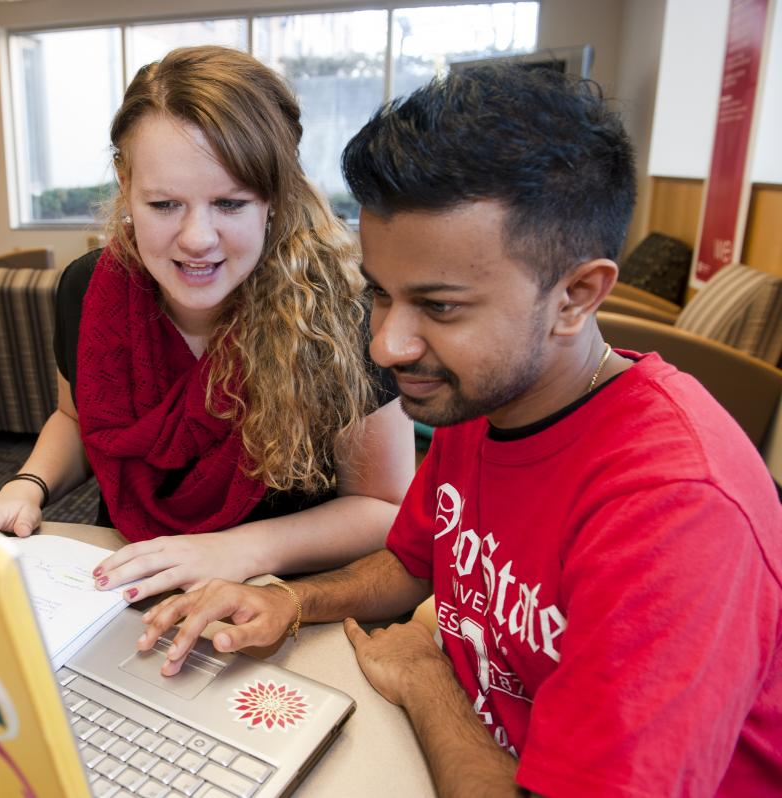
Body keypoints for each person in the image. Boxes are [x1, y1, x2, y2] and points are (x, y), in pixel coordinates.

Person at [138, 65, 781, 797]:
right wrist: (291, 600)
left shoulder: (676, 510)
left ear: (575, 296)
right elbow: (415, 563)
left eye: (439, 307)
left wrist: (426, 681)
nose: (386, 346)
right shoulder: (488, 395)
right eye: (380, 295)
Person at [0, 46, 414, 601]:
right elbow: (73, 417)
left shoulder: (344, 310)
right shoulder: (84, 287)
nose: (197, 238)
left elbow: (382, 508)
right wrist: (28, 483)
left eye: (229, 204)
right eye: (164, 204)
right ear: (125, 181)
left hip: (279, 599)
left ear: (273, 196)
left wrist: (240, 549)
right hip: (128, 579)